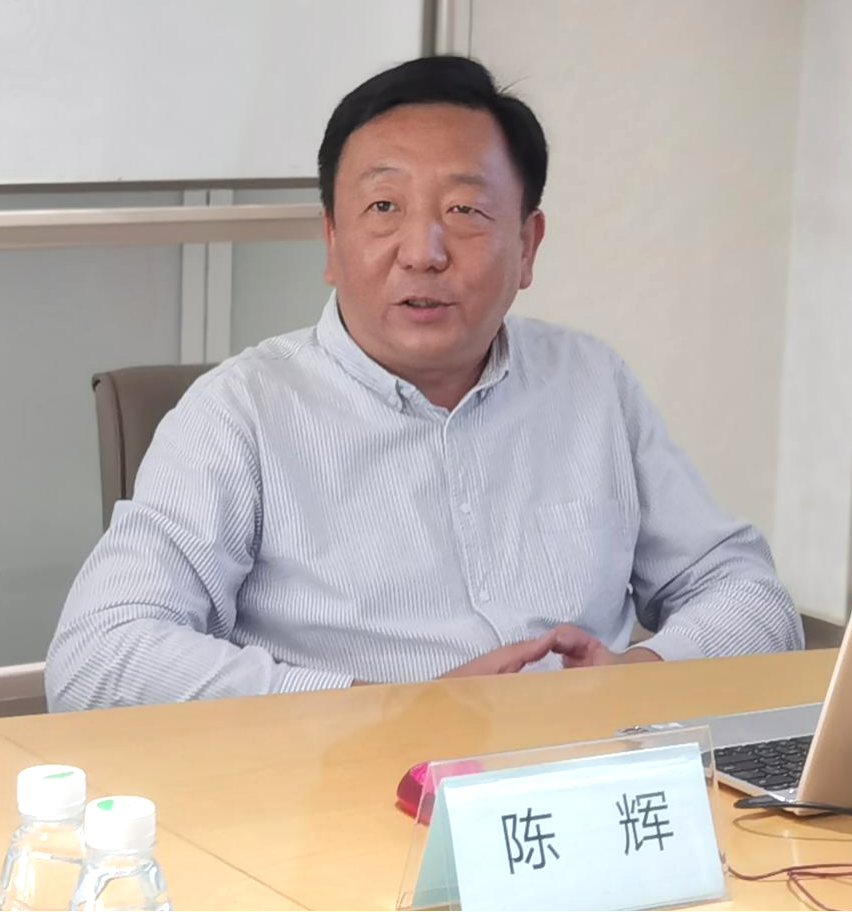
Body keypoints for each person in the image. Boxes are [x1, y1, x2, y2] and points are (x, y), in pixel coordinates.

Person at [45, 56, 803, 711]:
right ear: (332, 240)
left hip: (578, 780)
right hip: (344, 791)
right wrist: (393, 713)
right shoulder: (239, 413)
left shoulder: (591, 383)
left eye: (465, 210)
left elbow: (748, 595)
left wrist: (637, 675)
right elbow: (98, 658)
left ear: (527, 245)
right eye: (384, 207)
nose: (423, 252)